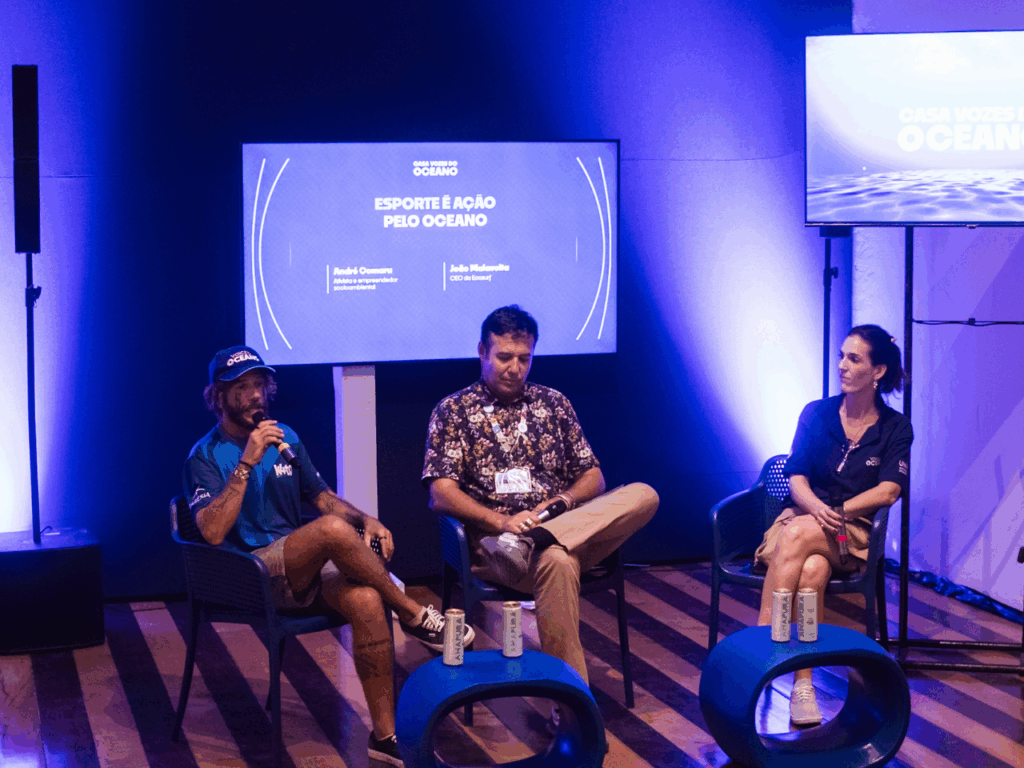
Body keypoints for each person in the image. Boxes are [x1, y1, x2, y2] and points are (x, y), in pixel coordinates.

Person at [183, 345, 473, 767]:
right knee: (333, 533)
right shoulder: (205, 456)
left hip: (300, 567)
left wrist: (365, 518)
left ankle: (385, 736)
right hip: (249, 575)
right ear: (218, 397)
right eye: (241, 388)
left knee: (366, 598)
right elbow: (210, 530)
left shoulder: (288, 439)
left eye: (259, 384)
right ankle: (413, 614)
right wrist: (247, 461)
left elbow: (321, 498)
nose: (254, 396)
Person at [423, 305, 659, 700]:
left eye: (524, 358)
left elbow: (593, 476)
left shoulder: (554, 403)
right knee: (558, 562)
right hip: (496, 545)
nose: (515, 368)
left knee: (643, 494)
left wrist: (559, 505)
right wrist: (500, 522)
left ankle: (544, 537)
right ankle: (573, 707)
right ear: (482, 351)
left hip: (562, 526)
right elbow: (440, 494)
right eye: (503, 357)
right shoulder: (453, 411)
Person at [753, 325, 912, 727]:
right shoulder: (817, 413)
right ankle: (803, 682)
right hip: (803, 521)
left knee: (797, 534)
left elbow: (888, 492)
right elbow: (796, 478)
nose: (841, 365)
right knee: (811, 571)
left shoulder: (896, 427)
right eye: (841, 355)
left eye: (853, 359)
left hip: (850, 533)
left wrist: (835, 512)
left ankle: (760, 646)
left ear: (877, 372)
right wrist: (814, 507)